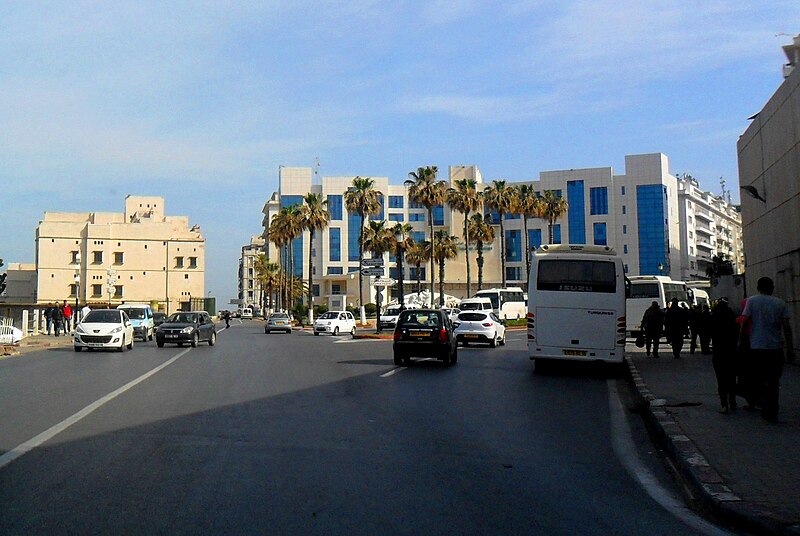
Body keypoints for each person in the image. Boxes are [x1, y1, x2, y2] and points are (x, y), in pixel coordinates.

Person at [739, 276, 794, 423]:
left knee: (759, 380)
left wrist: (741, 342)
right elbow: (787, 328)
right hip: (775, 348)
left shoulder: (752, 301)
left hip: (757, 347)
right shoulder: (780, 303)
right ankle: (772, 411)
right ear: (772, 288)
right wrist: (790, 348)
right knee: (774, 382)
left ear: (758, 287)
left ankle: (764, 407)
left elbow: (744, 323)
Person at [710, 299, 739, 413]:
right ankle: (732, 401)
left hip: (718, 353)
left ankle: (724, 404)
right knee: (731, 379)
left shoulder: (714, 320)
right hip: (731, 352)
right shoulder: (732, 322)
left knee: (721, 380)